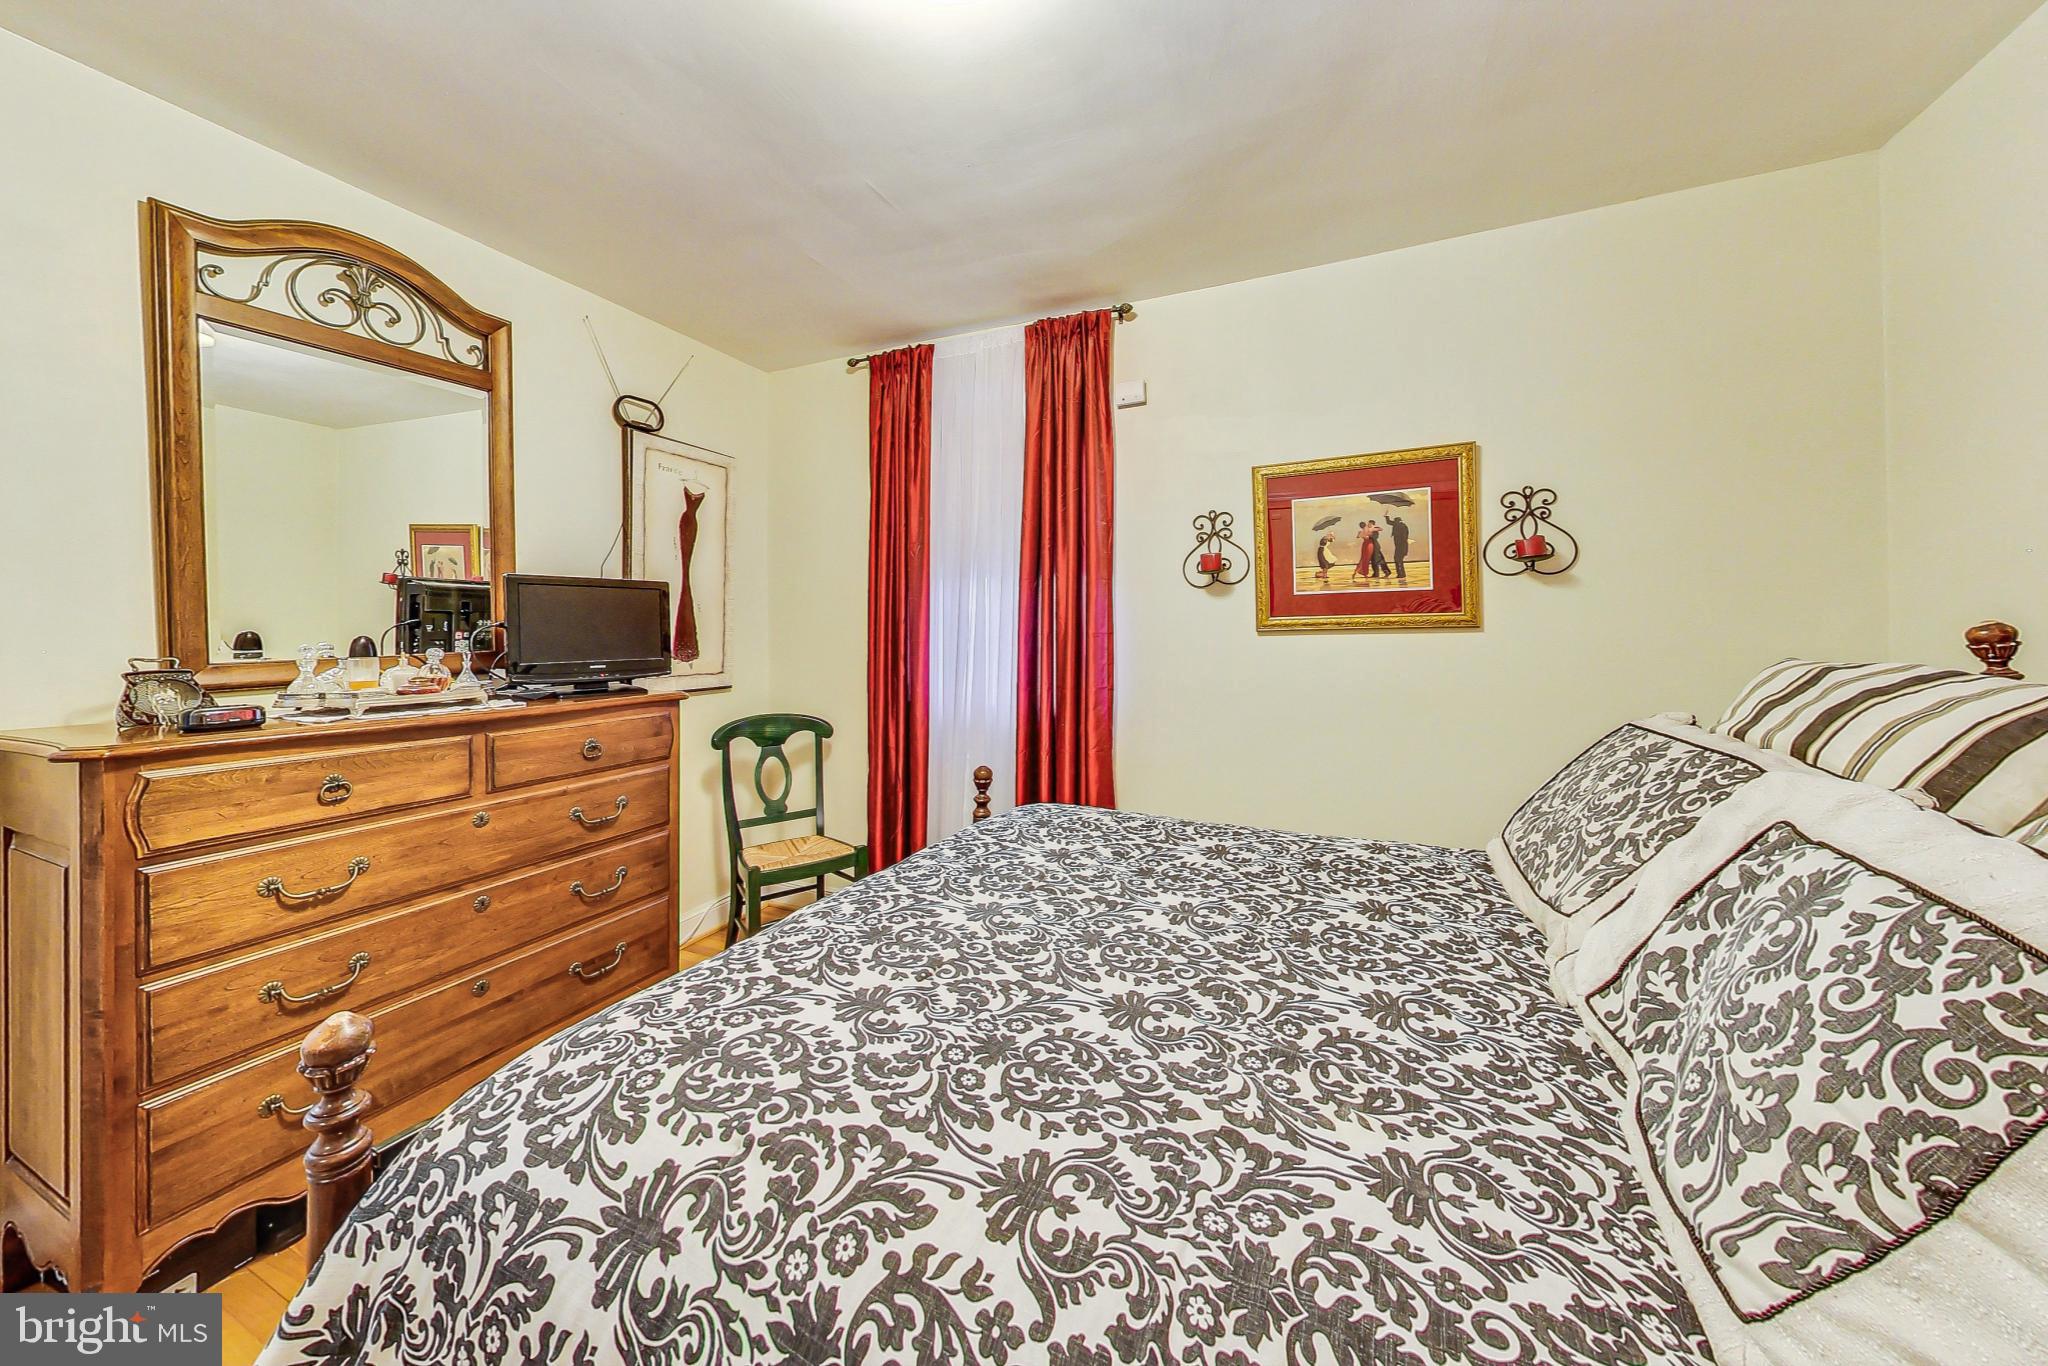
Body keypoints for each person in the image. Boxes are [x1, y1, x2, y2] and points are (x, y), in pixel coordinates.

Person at [1387, 512, 1410, 583]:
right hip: (1402, 546)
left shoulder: (1399, 526)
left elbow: (1403, 537)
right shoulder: (1402, 525)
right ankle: (1401, 574)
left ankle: (1401, 574)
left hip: (1400, 546)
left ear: (1397, 522)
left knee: (1398, 559)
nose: (1393, 523)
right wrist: (1386, 516)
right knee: (1399, 560)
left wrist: (1386, 516)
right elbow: (1389, 522)